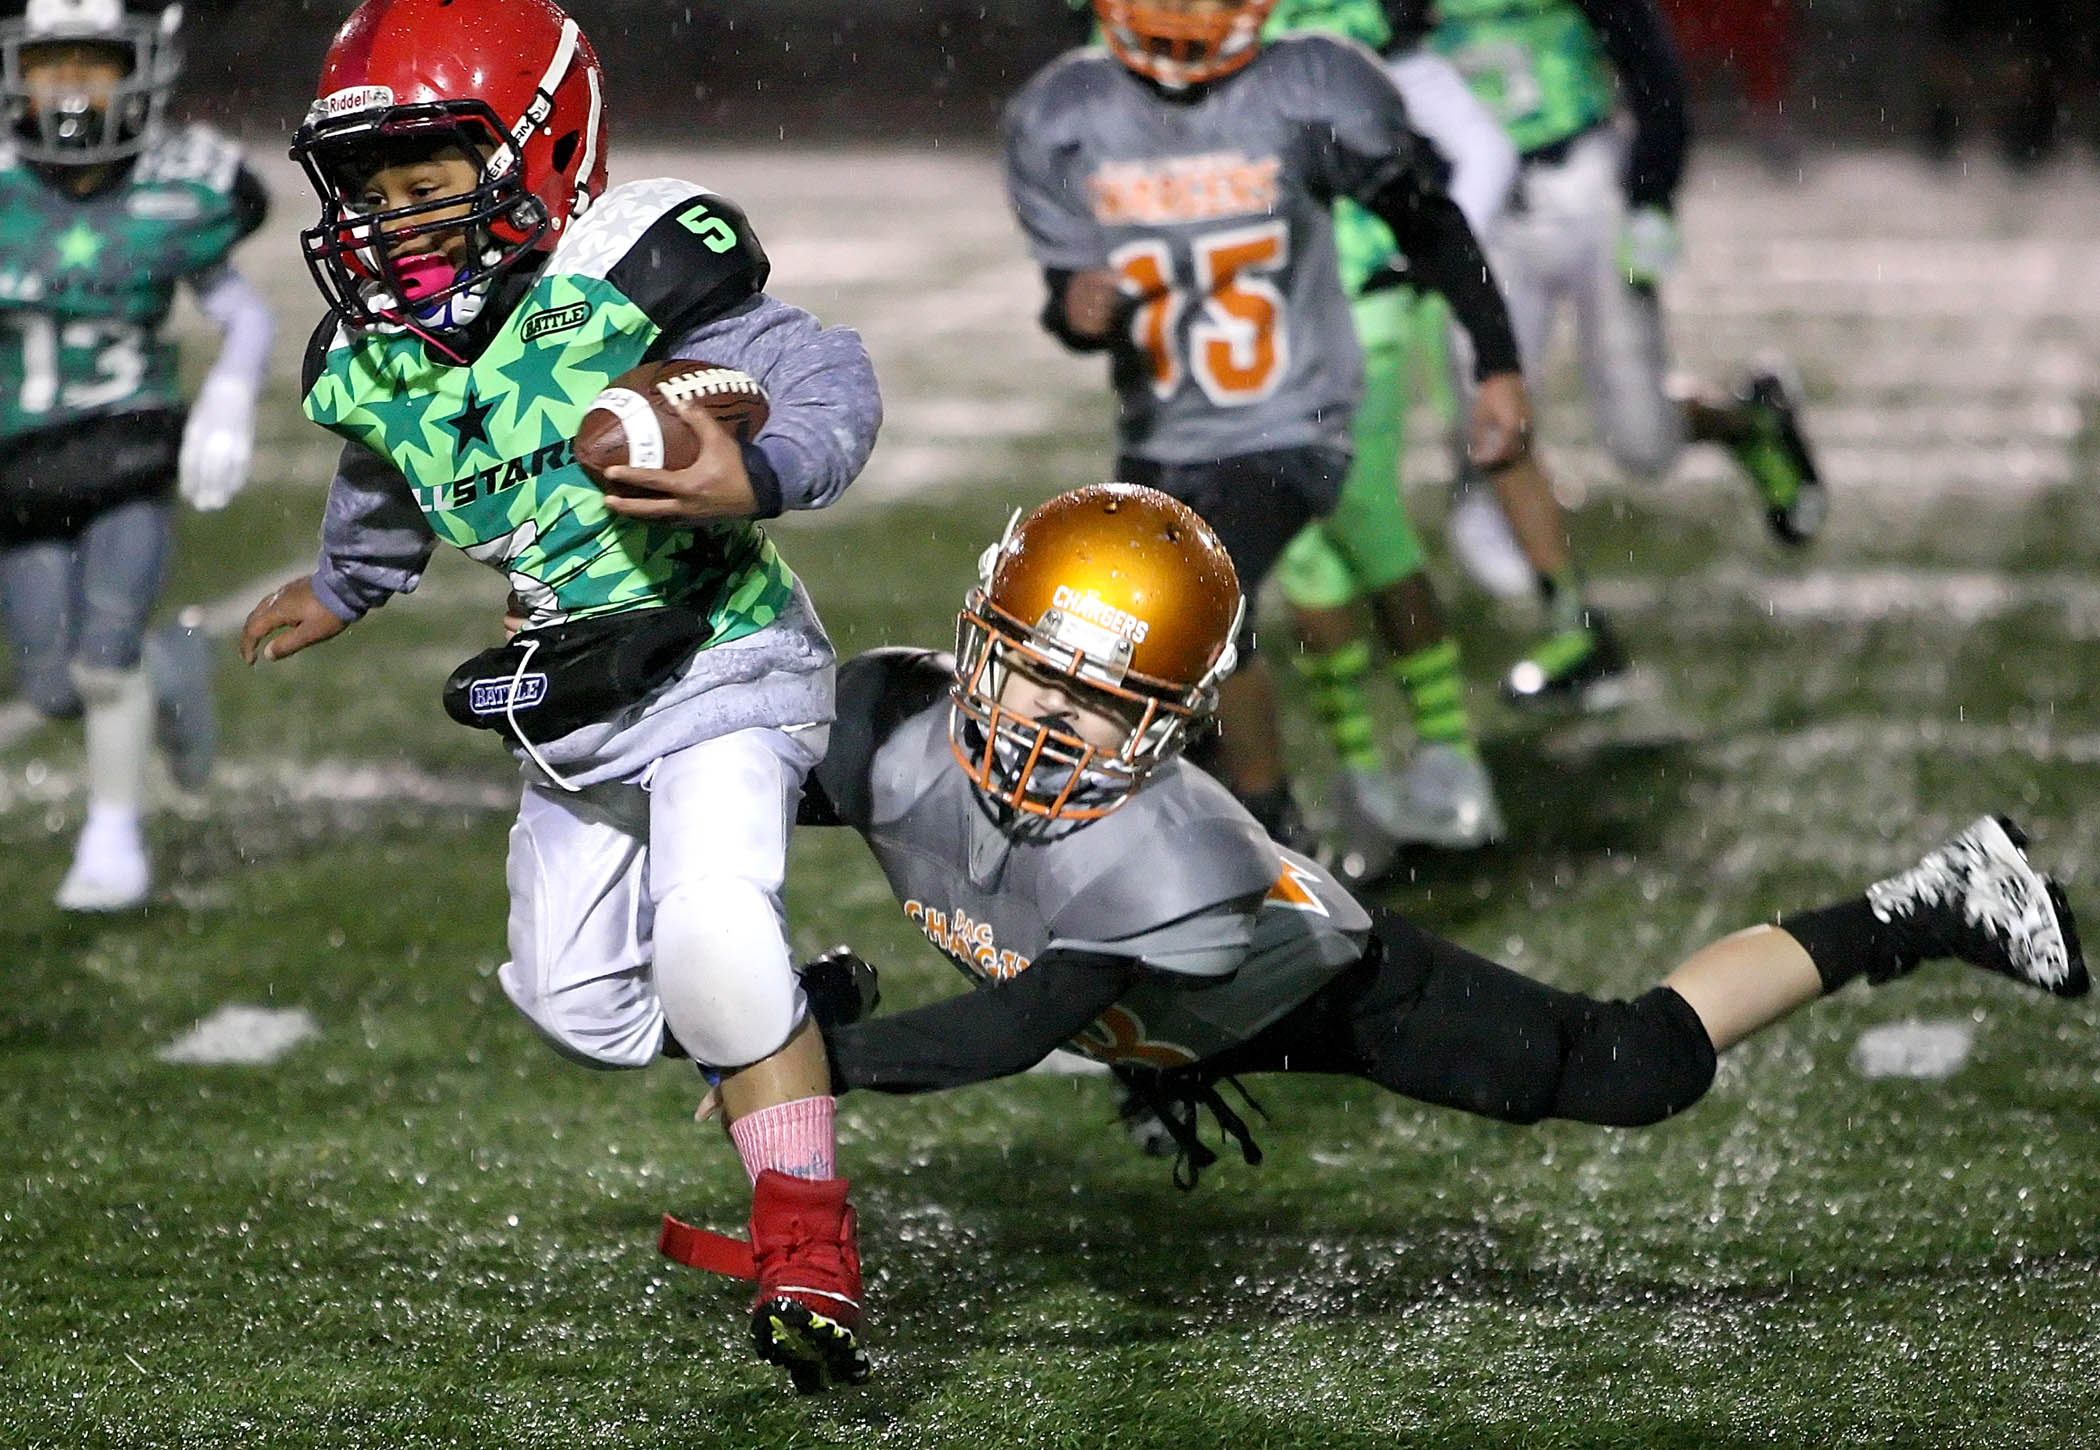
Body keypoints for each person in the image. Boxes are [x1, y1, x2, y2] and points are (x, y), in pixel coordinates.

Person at [685, 485, 2083, 1225]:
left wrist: (805, 1049)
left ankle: (1931, 898)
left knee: (1633, 1068)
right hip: (1151, 1008)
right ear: (974, 635)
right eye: (1030, 669)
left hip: (1310, 985)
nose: (1046, 714)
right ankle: (1149, 1062)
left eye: (1097, 700)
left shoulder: (1176, 855)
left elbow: (1013, 1023)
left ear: (1168, 726)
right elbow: (718, 804)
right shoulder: (883, 717)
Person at [235, 0, 881, 1394]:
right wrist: (350, 584)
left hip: (718, 650)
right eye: (371, 193)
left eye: (429, 184)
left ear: (543, 152)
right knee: (577, 1005)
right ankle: (786, 1020)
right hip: (569, 700)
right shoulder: (373, 353)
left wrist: (756, 471)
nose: (395, 222)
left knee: (708, 926)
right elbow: (393, 470)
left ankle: (810, 1238)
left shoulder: (629, 278)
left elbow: (823, 371)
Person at [1005, 0, 1537, 850]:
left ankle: (1268, 831)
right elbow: (1069, 295)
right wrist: (1076, 306)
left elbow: (1428, 219)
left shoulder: (1305, 86)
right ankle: (1229, 824)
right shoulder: (1067, 112)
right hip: (1162, 431)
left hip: (1293, 421)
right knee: (1144, 628)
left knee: (1197, 607)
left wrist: (1499, 361)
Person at [1414, 0, 1826, 709]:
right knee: (1492, 414)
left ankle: (1747, 419)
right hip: (1483, 215)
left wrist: (1651, 196)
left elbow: (1652, 70)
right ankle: (1574, 628)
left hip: (1587, 187)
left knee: (1643, 443)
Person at [0, 0, 271, 910]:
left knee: (100, 658)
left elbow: (240, 310)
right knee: (51, 685)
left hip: (126, 455)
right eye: (51, 62)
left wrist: (230, 392)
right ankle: (173, 665)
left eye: (93, 61)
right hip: (19, 467)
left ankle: (112, 834)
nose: (71, 84)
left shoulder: (176, 185)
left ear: (137, 70)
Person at [1265, 0, 1516, 878]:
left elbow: (1434, 173)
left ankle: (1451, 758)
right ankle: (1362, 776)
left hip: (1357, 295)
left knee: (1362, 516)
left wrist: (1490, 347)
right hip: (1258, 318)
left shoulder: (1345, 44)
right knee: (1306, 556)